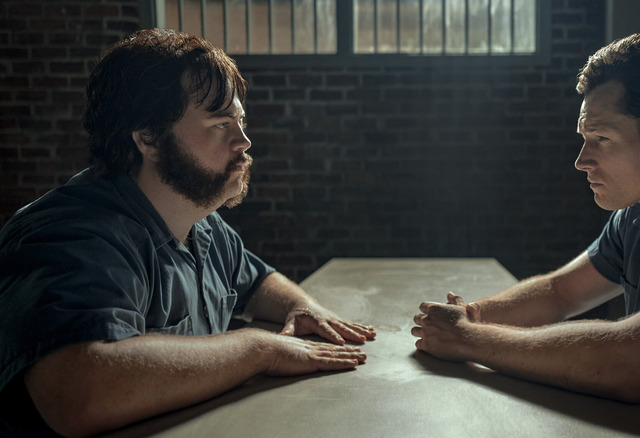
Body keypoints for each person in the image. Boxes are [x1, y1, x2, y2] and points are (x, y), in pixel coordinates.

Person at [0, 28, 375, 437]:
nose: (243, 141)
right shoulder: (68, 235)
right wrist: (259, 349)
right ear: (149, 137)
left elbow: (258, 281)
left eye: (240, 121)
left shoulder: (201, 223)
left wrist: (302, 309)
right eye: (219, 124)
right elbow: (78, 393)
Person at [412, 32, 640, 437]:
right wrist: (468, 317)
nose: (581, 161)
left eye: (602, 139)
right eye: (584, 139)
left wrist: (468, 339)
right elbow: (560, 293)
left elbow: (633, 364)